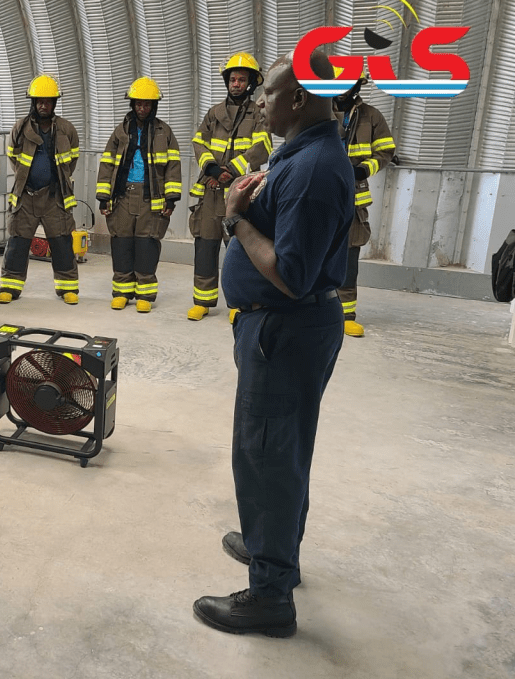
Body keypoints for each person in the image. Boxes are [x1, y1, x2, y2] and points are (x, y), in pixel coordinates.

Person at [192, 50, 352, 637]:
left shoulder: (312, 170)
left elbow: (290, 272)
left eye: (270, 93)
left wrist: (237, 219)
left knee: (266, 458)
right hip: (277, 330)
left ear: (299, 99)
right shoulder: (301, 153)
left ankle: (269, 596)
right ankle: (273, 547)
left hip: (284, 330)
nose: (258, 101)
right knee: (279, 451)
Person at [188, 52, 272, 323]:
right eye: (232, 79)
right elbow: (198, 141)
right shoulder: (214, 113)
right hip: (211, 191)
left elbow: (264, 147)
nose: (235, 84)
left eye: (241, 80)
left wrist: (233, 170)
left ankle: (238, 302)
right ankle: (202, 301)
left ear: (250, 84)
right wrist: (211, 168)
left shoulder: (259, 114)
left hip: (241, 192)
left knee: (239, 249)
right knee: (205, 245)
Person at [96, 77, 181, 313]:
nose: (142, 109)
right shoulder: (120, 131)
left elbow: (173, 166)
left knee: (147, 243)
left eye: (147, 104)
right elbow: (107, 164)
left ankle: (145, 293)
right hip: (122, 196)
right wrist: (104, 196)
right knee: (121, 242)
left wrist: (171, 198)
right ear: (132, 104)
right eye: (138, 104)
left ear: (154, 106)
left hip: (150, 196)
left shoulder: (165, 132)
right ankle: (122, 291)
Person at [0, 75, 81, 305]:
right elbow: (13, 158)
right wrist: (28, 179)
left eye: (48, 101)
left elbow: (72, 160)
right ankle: (10, 286)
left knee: (62, 242)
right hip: (26, 195)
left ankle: (67, 288)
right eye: (39, 101)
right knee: (18, 241)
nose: (43, 105)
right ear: (33, 103)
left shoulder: (66, 129)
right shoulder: (20, 127)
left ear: (54, 103)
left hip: (55, 196)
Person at [333, 77, 396, 337]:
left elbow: (386, 150)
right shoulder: (316, 110)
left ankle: (346, 315)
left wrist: (362, 170)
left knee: (348, 257)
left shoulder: (371, 116)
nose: (340, 90)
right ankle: (308, 309)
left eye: (346, 84)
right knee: (311, 250)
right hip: (319, 193)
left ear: (356, 87)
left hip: (352, 197)